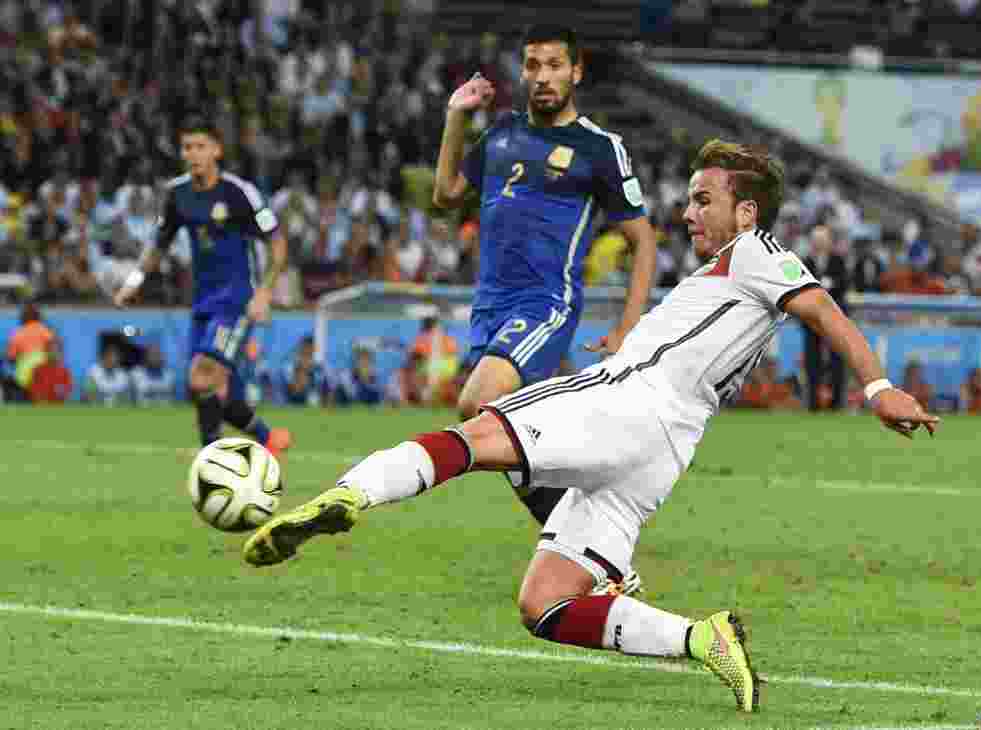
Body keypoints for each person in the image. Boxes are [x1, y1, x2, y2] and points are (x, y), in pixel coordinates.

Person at [240, 139, 939, 713]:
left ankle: (349, 496)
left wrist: (877, 387)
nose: (689, 210)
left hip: (629, 403)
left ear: (746, 209)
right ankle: (701, 639)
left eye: (704, 198)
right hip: (666, 448)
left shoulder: (758, 252)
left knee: (477, 434)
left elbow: (823, 310)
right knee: (545, 604)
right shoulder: (729, 273)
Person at [431, 24, 658, 583]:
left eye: (554, 65)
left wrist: (628, 328)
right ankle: (593, 551)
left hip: (545, 302)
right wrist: (456, 118)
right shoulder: (502, 133)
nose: (542, 77)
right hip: (490, 307)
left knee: (479, 403)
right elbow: (445, 196)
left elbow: (644, 241)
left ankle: (582, 545)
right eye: (533, 65)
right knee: (526, 439)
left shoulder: (598, 148)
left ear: (576, 71)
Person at [113, 116, 292, 454]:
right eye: (187, 147)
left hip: (238, 298)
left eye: (201, 147)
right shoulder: (177, 194)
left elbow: (277, 242)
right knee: (212, 391)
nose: (193, 154)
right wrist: (134, 281)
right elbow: (159, 243)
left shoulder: (239, 192)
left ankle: (211, 458)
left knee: (203, 376)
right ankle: (270, 438)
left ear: (216, 151)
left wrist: (265, 292)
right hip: (203, 300)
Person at [802, 224, 849, 410]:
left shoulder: (838, 261)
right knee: (812, 363)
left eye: (823, 240)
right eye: (816, 241)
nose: (819, 244)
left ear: (829, 242)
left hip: (834, 318)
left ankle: (836, 403)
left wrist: (832, 284)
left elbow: (845, 284)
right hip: (811, 319)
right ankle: (813, 403)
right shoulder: (804, 262)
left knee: (837, 361)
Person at [28, 338, 73, 403]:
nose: (53, 353)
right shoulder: (38, 370)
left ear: (61, 353)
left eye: (56, 351)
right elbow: (33, 391)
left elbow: (67, 391)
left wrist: (60, 394)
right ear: (46, 352)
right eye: (50, 350)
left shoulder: (65, 371)